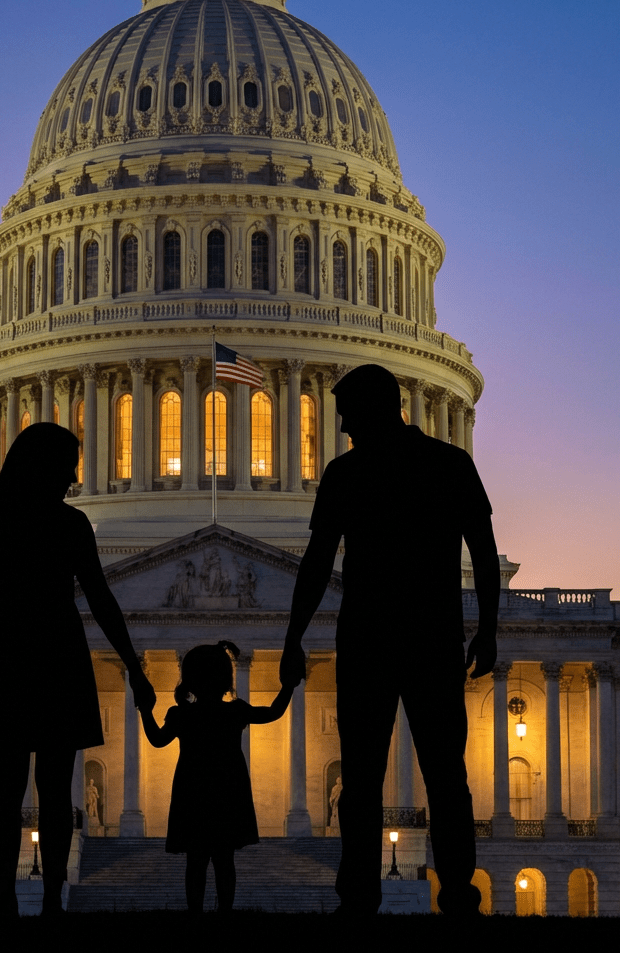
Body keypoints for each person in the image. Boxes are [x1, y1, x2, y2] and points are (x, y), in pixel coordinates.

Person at [280, 363, 500, 916]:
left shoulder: (348, 474)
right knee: (446, 775)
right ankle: (456, 891)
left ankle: (361, 895)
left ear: (375, 408)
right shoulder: (449, 464)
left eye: (349, 414)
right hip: (430, 633)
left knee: (365, 777)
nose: (346, 426)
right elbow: (485, 552)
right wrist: (488, 629)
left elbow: (314, 564)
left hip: (372, 635)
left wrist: (293, 637)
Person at [0, 422, 155, 917]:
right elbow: (101, 600)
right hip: (54, 649)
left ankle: (16, 900)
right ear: (41, 462)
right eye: (68, 462)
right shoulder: (67, 524)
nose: (74, 473)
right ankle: (44, 902)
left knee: (11, 786)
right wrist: (132, 663)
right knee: (48, 784)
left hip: (5, 651)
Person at [137, 640, 293, 912]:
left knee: (195, 861)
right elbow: (274, 712)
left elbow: (156, 740)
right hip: (227, 789)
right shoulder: (234, 711)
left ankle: (195, 912)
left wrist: (146, 710)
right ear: (226, 679)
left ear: (189, 680)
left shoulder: (182, 714)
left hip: (193, 789)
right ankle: (225, 912)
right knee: (224, 860)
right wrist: (289, 686)